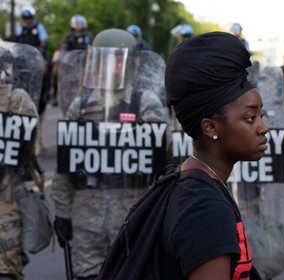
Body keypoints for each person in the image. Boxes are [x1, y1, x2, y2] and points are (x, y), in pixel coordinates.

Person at [51, 28, 166, 279]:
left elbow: (162, 165)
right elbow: (65, 167)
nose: (112, 68)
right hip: (86, 222)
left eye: (118, 62)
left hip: (132, 223)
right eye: (106, 60)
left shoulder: (145, 104)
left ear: (131, 65)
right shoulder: (80, 107)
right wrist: (62, 213)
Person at [160, 31, 265, 278]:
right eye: (250, 118)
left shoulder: (193, 182)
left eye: (262, 116)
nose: (263, 127)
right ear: (210, 128)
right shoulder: (205, 209)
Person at [0, 47, 39, 280]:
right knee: (7, 268)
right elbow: (28, 149)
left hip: (8, 198)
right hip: (7, 202)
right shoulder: (19, 99)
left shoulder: (18, 99)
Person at [16, 5, 50, 155]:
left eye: (29, 18)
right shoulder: (20, 29)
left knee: (49, 67)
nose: (27, 21)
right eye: (25, 18)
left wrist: (38, 53)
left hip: (36, 57)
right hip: (23, 59)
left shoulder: (39, 27)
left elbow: (43, 41)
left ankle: (47, 91)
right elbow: (16, 42)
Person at [51, 14, 92, 106]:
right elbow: (63, 49)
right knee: (56, 73)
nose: (78, 28)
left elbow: (90, 48)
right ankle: (55, 96)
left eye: (79, 25)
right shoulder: (69, 36)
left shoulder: (88, 36)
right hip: (70, 63)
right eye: (76, 25)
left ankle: (85, 97)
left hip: (84, 62)